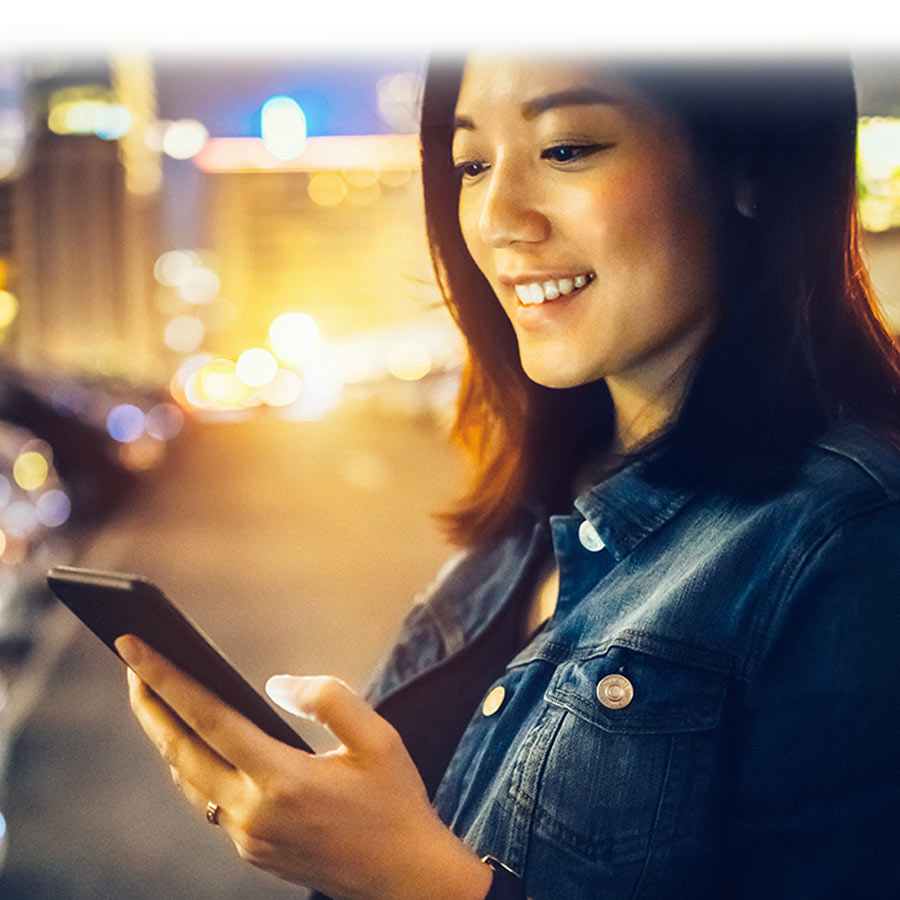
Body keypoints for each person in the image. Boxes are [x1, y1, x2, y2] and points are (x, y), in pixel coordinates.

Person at [115, 51, 900, 900]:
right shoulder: (546, 506)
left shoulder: (851, 540)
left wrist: (413, 881)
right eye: (471, 164)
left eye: (567, 149)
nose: (495, 216)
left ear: (750, 162)